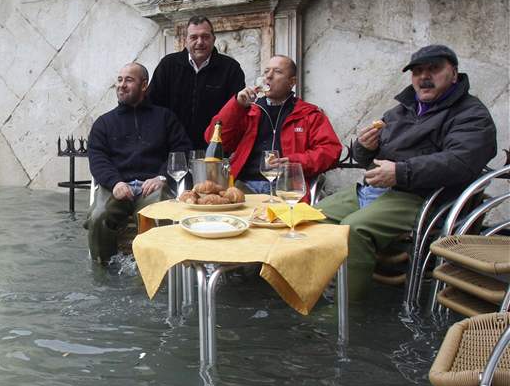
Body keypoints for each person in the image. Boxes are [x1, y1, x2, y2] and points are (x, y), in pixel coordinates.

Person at [316, 44, 497, 301]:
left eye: (434, 69)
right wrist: (364, 148)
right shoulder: (400, 110)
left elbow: (460, 162)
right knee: (313, 216)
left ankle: (341, 313)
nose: (424, 77)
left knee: (354, 229)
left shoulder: (471, 114)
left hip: (423, 196)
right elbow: (366, 159)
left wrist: (402, 172)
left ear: (454, 74)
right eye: (418, 71)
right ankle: (318, 291)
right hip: (381, 189)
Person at [86, 62, 191, 263]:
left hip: (152, 186)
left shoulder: (165, 118)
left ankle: (151, 272)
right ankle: (103, 273)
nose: (121, 85)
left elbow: (181, 151)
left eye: (129, 80)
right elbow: (97, 158)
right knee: (98, 216)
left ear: (144, 85)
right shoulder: (104, 123)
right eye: (119, 80)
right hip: (116, 186)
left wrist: (162, 177)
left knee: (159, 212)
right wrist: (115, 182)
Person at [205, 55, 342, 196]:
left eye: (277, 71)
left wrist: (294, 162)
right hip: (244, 185)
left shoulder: (309, 114)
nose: (268, 77)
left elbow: (330, 151)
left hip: (287, 187)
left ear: (292, 82)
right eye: (266, 71)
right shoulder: (248, 111)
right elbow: (214, 139)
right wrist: (236, 106)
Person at [147, 15, 246, 150]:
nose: (200, 42)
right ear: (185, 40)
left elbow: (237, 112)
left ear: (213, 39)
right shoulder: (168, 65)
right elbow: (153, 105)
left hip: (215, 149)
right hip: (172, 149)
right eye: (194, 37)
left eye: (205, 37)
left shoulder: (231, 68)